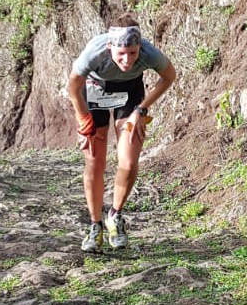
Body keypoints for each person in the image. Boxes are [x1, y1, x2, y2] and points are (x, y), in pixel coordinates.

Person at [68, 14, 177, 252]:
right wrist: (82, 117)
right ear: (110, 48)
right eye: (121, 54)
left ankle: (115, 215)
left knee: (128, 161)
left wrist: (142, 109)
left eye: (133, 53)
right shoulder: (95, 52)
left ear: (139, 47)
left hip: (129, 96)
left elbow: (169, 76)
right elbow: (74, 86)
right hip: (94, 93)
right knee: (95, 160)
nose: (127, 60)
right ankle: (95, 224)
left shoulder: (149, 53)